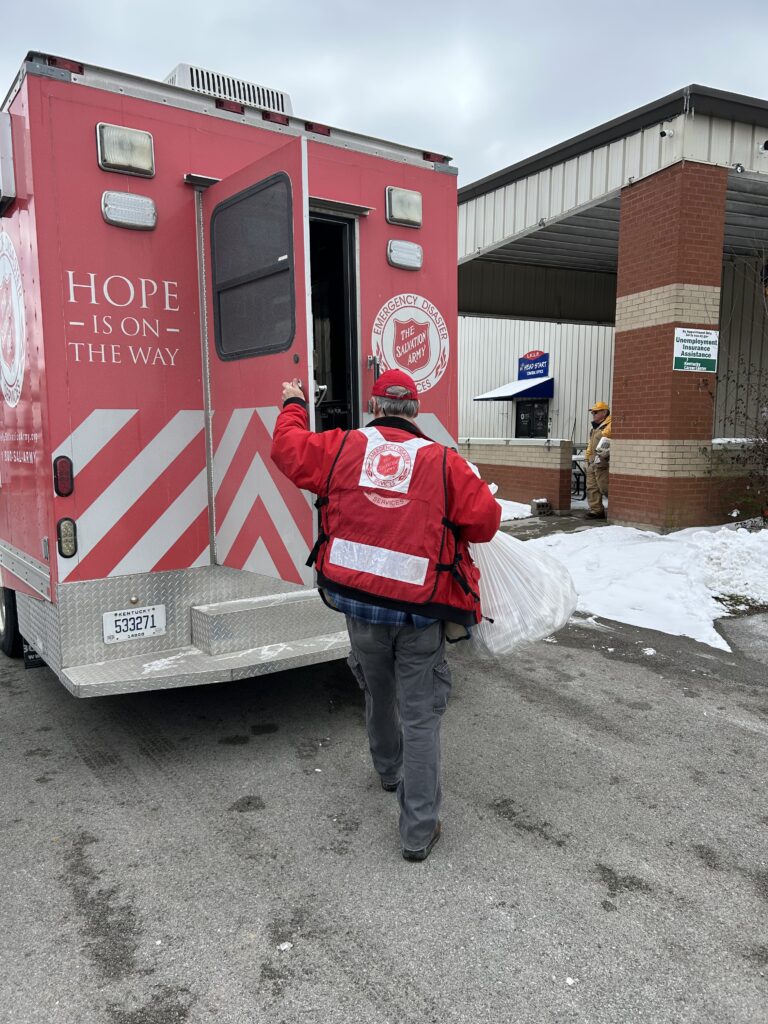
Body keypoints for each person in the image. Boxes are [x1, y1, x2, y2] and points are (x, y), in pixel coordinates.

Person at [271, 368, 500, 861]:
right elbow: (484, 522)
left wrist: (294, 402)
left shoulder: (340, 448)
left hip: (358, 605)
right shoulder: (444, 463)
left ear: (375, 407)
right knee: (420, 716)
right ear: (415, 412)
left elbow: (287, 449)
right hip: (419, 614)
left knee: (377, 689)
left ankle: (387, 771)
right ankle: (418, 831)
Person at [585, 401, 612, 519]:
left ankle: (618, 507)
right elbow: (590, 445)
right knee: (592, 488)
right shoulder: (594, 428)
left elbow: (607, 438)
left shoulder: (610, 425)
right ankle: (596, 511)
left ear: (604, 412)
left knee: (604, 487)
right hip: (592, 461)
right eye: (592, 413)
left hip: (602, 461)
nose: (593, 415)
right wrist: (587, 458)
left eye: (595, 412)